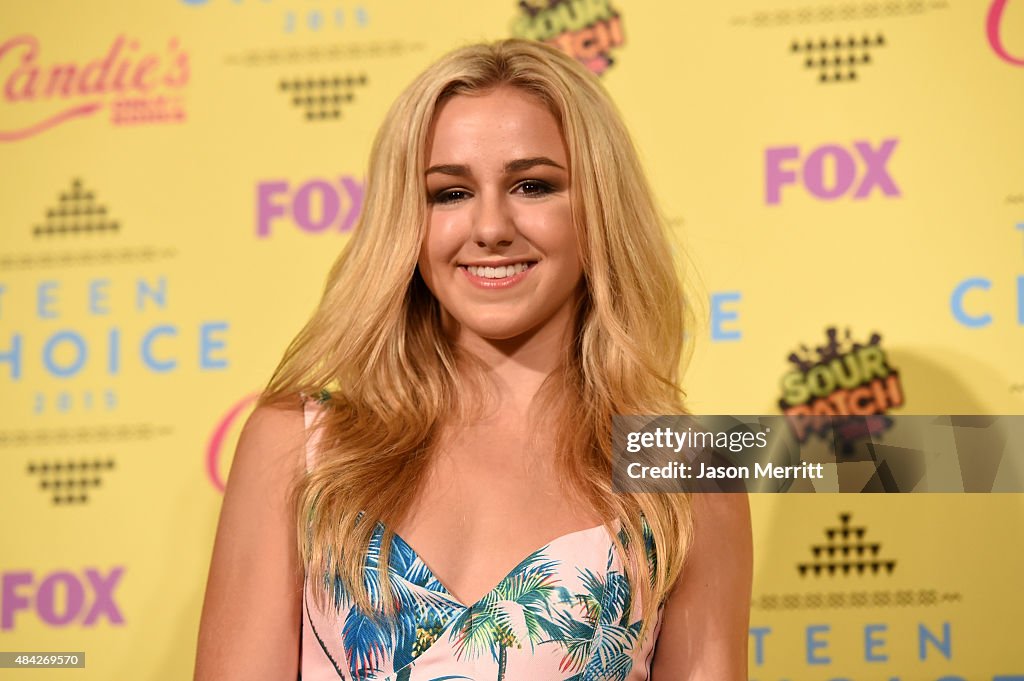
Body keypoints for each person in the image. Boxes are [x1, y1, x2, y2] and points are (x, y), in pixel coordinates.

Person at [194, 38, 752, 681]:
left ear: (598, 211)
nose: (490, 227)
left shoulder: (687, 469)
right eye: (450, 193)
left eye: (532, 185)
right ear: (407, 222)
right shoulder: (300, 445)